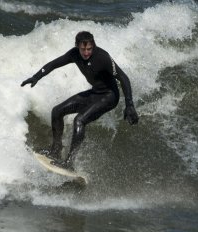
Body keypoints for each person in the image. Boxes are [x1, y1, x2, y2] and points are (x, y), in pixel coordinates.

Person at [21, 31, 138, 169]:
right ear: (77, 46)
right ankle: (55, 150)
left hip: (109, 96)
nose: (86, 53)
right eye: (83, 49)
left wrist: (129, 104)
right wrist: (36, 77)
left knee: (79, 120)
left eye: (89, 49)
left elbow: (123, 77)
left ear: (93, 46)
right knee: (57, 111)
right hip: (95, 93)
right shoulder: (74, 54)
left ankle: (70, 162)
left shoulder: (102, 57)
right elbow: (54, 64)